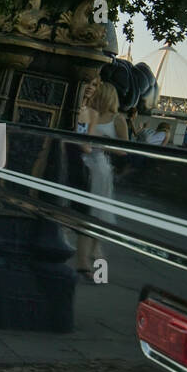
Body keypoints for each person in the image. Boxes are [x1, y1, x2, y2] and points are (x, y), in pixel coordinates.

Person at [74, 80, 127, 281]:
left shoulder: (117, 119)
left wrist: (102, 145)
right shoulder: (89, 114)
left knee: (93, 219)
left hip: (99, 169)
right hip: (83, 165)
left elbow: (124, 150)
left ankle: (90, 269)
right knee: (91, 222)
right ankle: (95, 272)